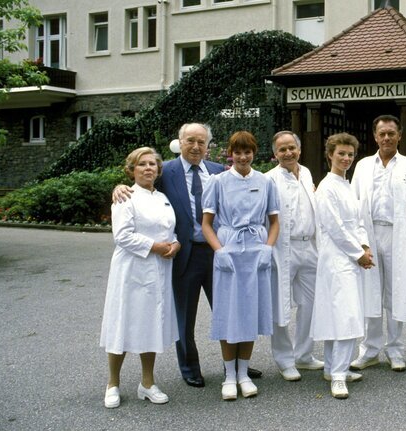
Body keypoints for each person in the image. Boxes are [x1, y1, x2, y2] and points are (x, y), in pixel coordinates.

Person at [112, 123, 262, 387]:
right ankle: (189, 367)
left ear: (208, 145)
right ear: (180, 142)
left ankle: (237, 366)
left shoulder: (218, 171)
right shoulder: (165, 171)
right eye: (190, 141)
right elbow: (142, 184)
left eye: (201, 142)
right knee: (185, 316)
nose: (196, 146)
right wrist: (118, 187)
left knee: (230, 310)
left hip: (218, 252)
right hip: (184, 253)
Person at [201, 131, 279, 400]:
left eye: (247, 152)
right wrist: (219, 250)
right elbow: (206, 224)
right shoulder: (218, 182)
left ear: (254, 153)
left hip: (256, 252)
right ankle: (229, 375)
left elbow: (274, 221)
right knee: (228, 312)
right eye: (238, 152)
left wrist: (268, 247)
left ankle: (244, 373)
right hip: (229, 251)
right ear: (230, 154)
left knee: (249, 312)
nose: (243, 157)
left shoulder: (265, 182)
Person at [100, 147, 180, 408]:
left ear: (158, 170)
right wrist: (155, 247)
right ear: (131, 170)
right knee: (123, 322)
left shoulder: (163, 198)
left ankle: (147, 383)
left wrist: (175, 244)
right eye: (142, 164)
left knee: (151, 324)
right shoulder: (125, 196)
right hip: (131, 270)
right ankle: (113, 383)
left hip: (159, 270)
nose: (148, 168)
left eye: (152, 164)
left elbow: (169, 230)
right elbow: (122, 236)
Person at [350, 115, 406, 372]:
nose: (386, 138)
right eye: (382, 134)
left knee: (395, 292)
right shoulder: (363, 166)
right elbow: (353, 202)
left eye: (391, 133)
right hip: (370, 233)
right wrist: (359, 240)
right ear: (375, 136)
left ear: (399, 135)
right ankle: (369, 350)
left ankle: (395, 350)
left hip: (397, 233)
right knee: (370, 292)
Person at [312, 133, 374, 399]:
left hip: (351, 256)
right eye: (341, 154)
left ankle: (333, 368)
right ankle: (338, 375)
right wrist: (357, 253)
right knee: (344, 316)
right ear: (330, 155)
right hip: (336, 258)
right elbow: (334, 227)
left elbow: (358, 221)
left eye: (350, 154)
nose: (346, 158)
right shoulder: (327, 187)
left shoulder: (347, 186)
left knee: (341, 313)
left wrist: (365, 245)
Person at [265, 131, 324, 381]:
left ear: (299, 149)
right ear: (275, 154)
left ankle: (304, 355)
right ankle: (284, 360)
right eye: (282, 149)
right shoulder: (269, 179)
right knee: (280, 304)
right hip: (283, 247)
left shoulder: (307, 173)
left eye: (292, 148)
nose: (288, 153)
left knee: (311, 303)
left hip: (309, 246)